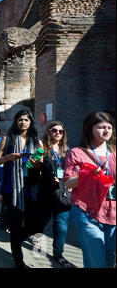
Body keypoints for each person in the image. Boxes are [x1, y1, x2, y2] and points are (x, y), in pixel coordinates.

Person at [0, 109, 45, 268]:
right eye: (20, 119)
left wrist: (34, 162)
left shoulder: (37, 142)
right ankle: (18, 260)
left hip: (30, 189)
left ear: (31, 122)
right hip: (11, 189)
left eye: (26, 120)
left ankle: (17, 239)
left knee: (34, 225)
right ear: (16, 121)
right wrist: (8, 158)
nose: (23, 122)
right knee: (15, 226)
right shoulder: (7, 139)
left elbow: (40, 166)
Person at [63, 111, 116, 268]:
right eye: (101, 127)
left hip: (113, 211)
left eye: (109, 127)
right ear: (89, 129)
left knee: (109, 260)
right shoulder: (77, 153)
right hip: (87, 211)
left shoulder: (114, 153)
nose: (106, 131)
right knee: (96, 261)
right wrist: (89, 176)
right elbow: (67, 183)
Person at [40, 121, 75, 268]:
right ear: (48, 132)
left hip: (63, 192)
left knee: (61, 225)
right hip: (45, 190)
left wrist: (72, 182)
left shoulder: (68, 150)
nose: (57, 133)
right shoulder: (42, 148)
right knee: (42, 219)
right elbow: (29, 164)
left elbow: (75, 168)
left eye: (61, 131)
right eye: (54, 130)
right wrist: (42, 172)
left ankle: (58, 253)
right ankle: (37, 234)